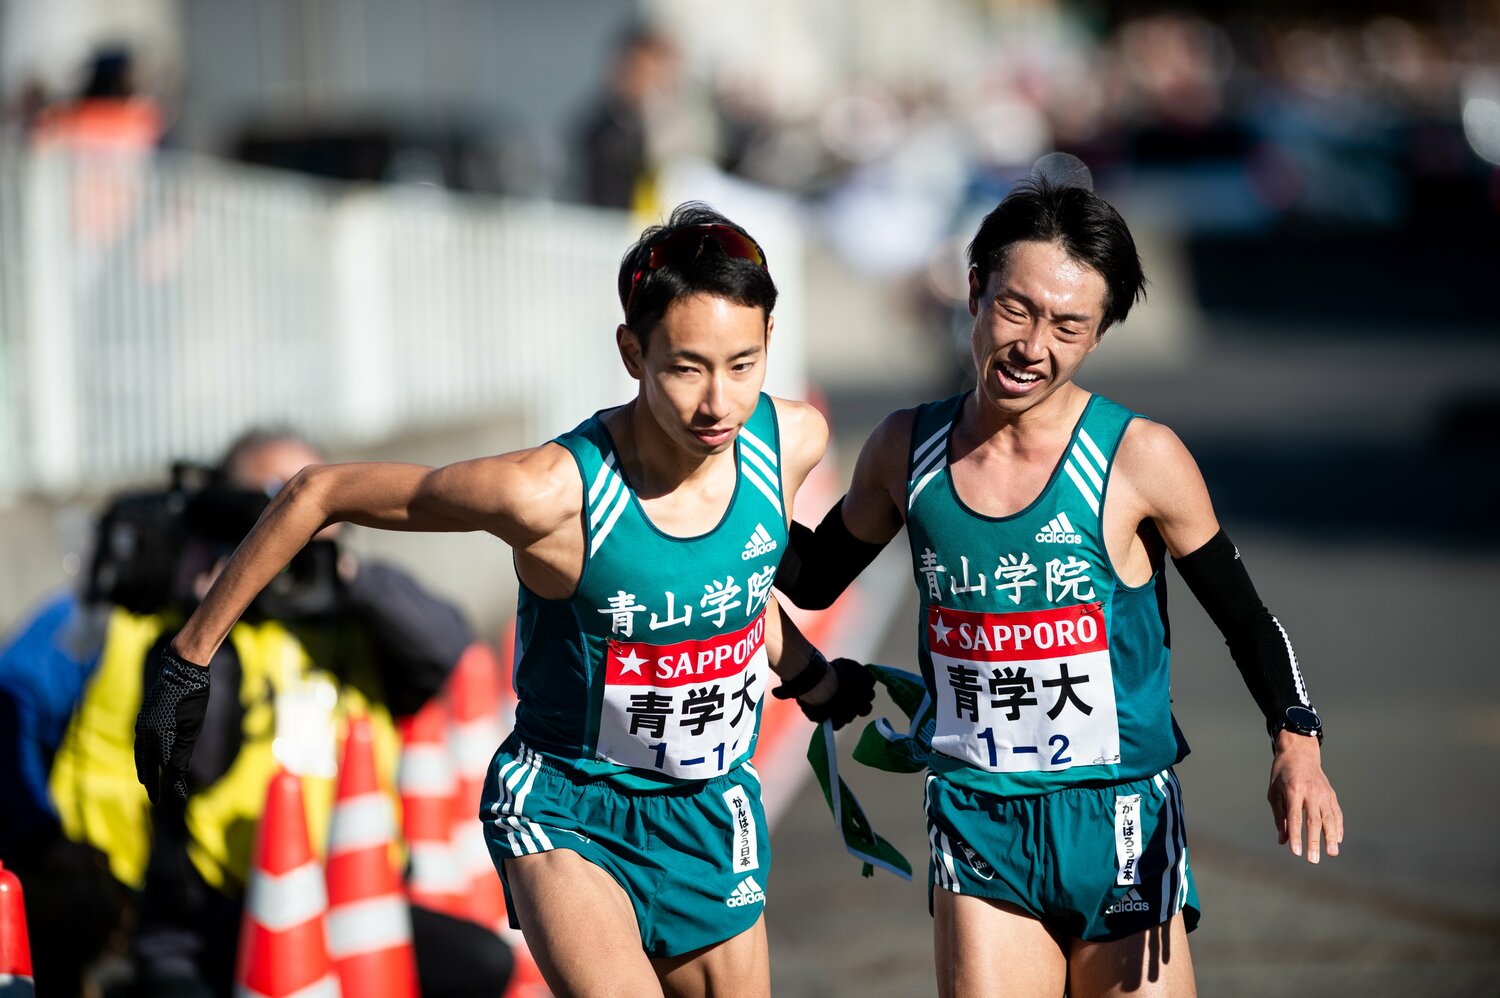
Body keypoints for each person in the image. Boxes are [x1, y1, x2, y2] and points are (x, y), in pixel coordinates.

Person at [133, 204, 876, 998]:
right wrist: (186, 661)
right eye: (686, 367)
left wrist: (812, 676)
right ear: (632, 352)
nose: (718, 403)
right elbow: (320, 493)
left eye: (743, 364)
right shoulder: (549, 493)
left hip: (708, 807)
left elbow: (734, 592)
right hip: (571, 811)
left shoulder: (789, 442)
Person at [775, 178, 1343, 997]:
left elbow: (1246, 619)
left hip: (1118, 817)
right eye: (1016, 309)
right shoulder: (906, 450)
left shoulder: (1141, 458)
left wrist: (1297, 741)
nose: (1032, 346)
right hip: (978, 813)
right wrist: (718, 484)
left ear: (1098, 335)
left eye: (1068, 326)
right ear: (974, 292)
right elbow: (810, 577)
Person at [38, 430, 511, 998]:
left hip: (344, 891)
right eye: (275, 503)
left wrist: (345, 577)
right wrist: (214, 616)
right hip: (209, 907)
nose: (297, 520)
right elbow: (201, 761)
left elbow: (448, 646)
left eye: (316, 501)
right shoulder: (176, 629)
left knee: (483, 964)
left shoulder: (351, 612)